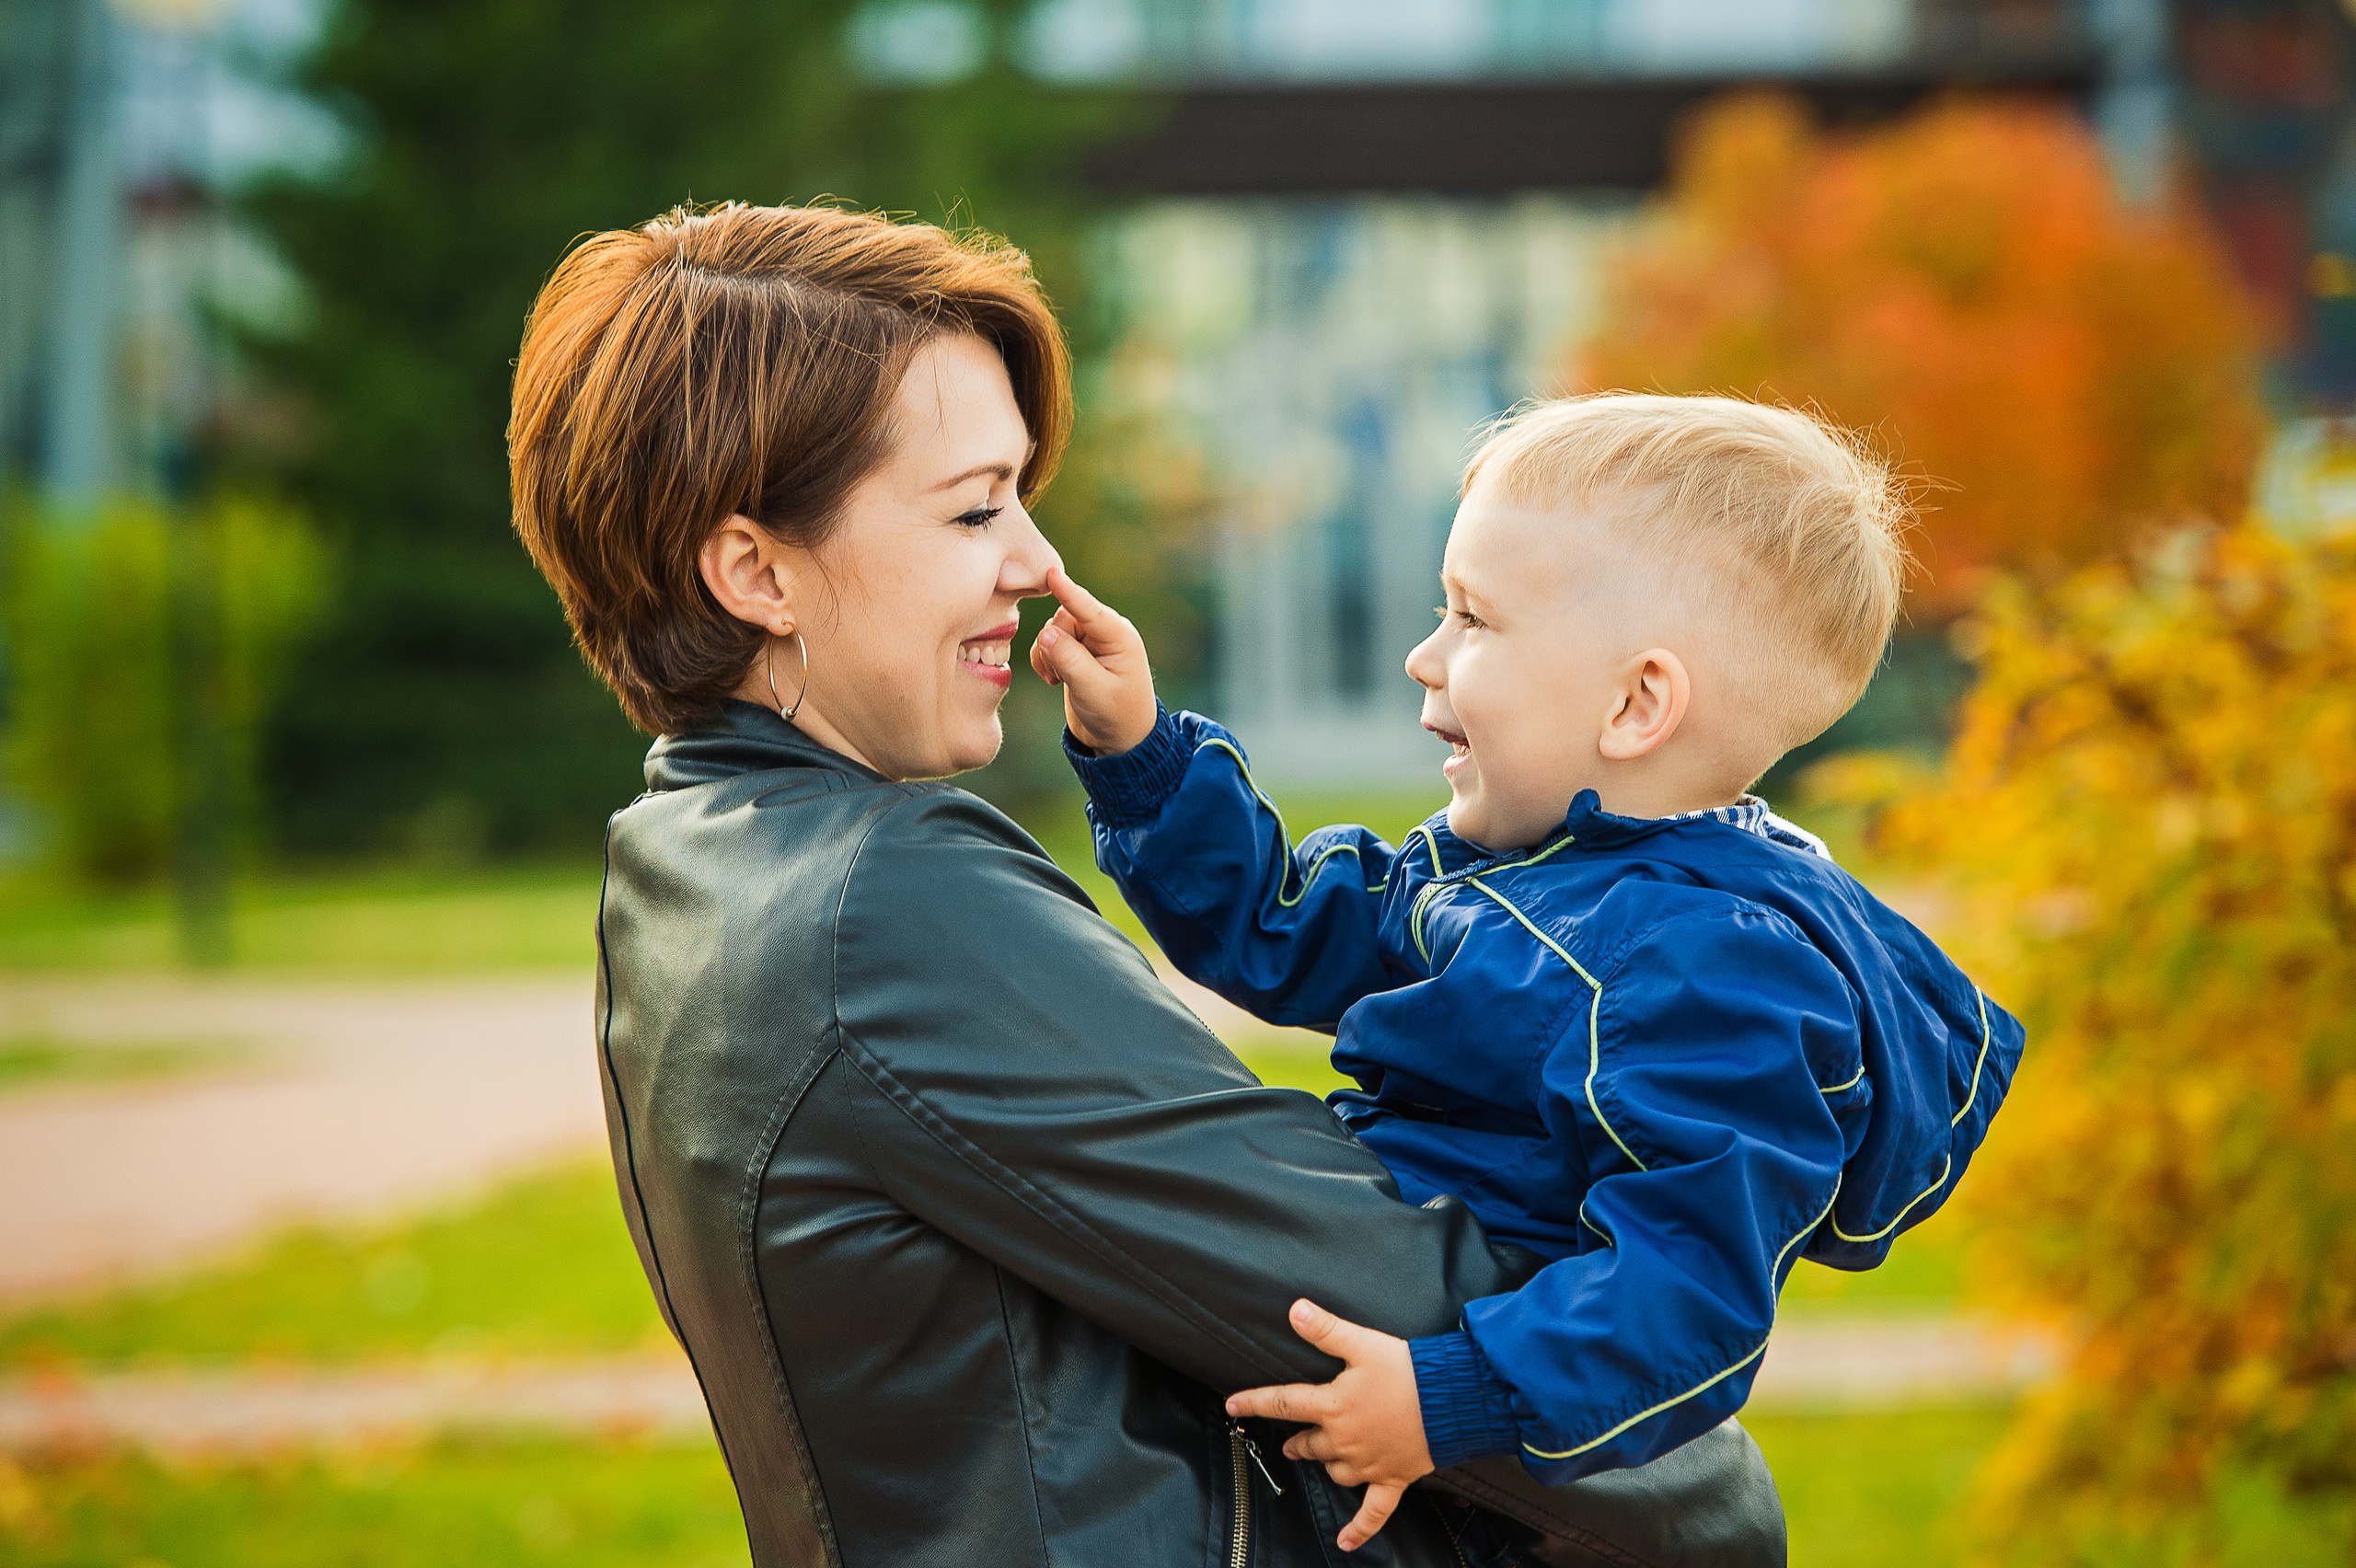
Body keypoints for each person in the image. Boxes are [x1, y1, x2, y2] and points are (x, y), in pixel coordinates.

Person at [508, 203, 1784, 1567]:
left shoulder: (686, 862)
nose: (1036, 567)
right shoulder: (880, 903)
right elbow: (1364, 1294)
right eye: (973, 507)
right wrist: (1710, 1492)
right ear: (756, 570)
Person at [1034, 394, 2028, 1549]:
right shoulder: (1525, 874)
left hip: (1478, 1490)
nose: (1423, 654)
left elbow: (1686, 1292)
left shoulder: (1713, 972)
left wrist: (1447, 1398)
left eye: (1472, 621)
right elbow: (1291, 927)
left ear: (1635, 704)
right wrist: (1147, 758)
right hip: (1363, 1311)